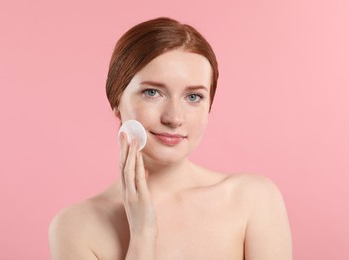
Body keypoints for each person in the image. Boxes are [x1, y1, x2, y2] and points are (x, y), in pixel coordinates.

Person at [48, 17, 292, 260]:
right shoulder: (75, 228)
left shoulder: (253, 200)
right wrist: (143, 235)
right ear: (116, 102)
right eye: (152, 92)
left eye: (193, 97)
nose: (174, 118)